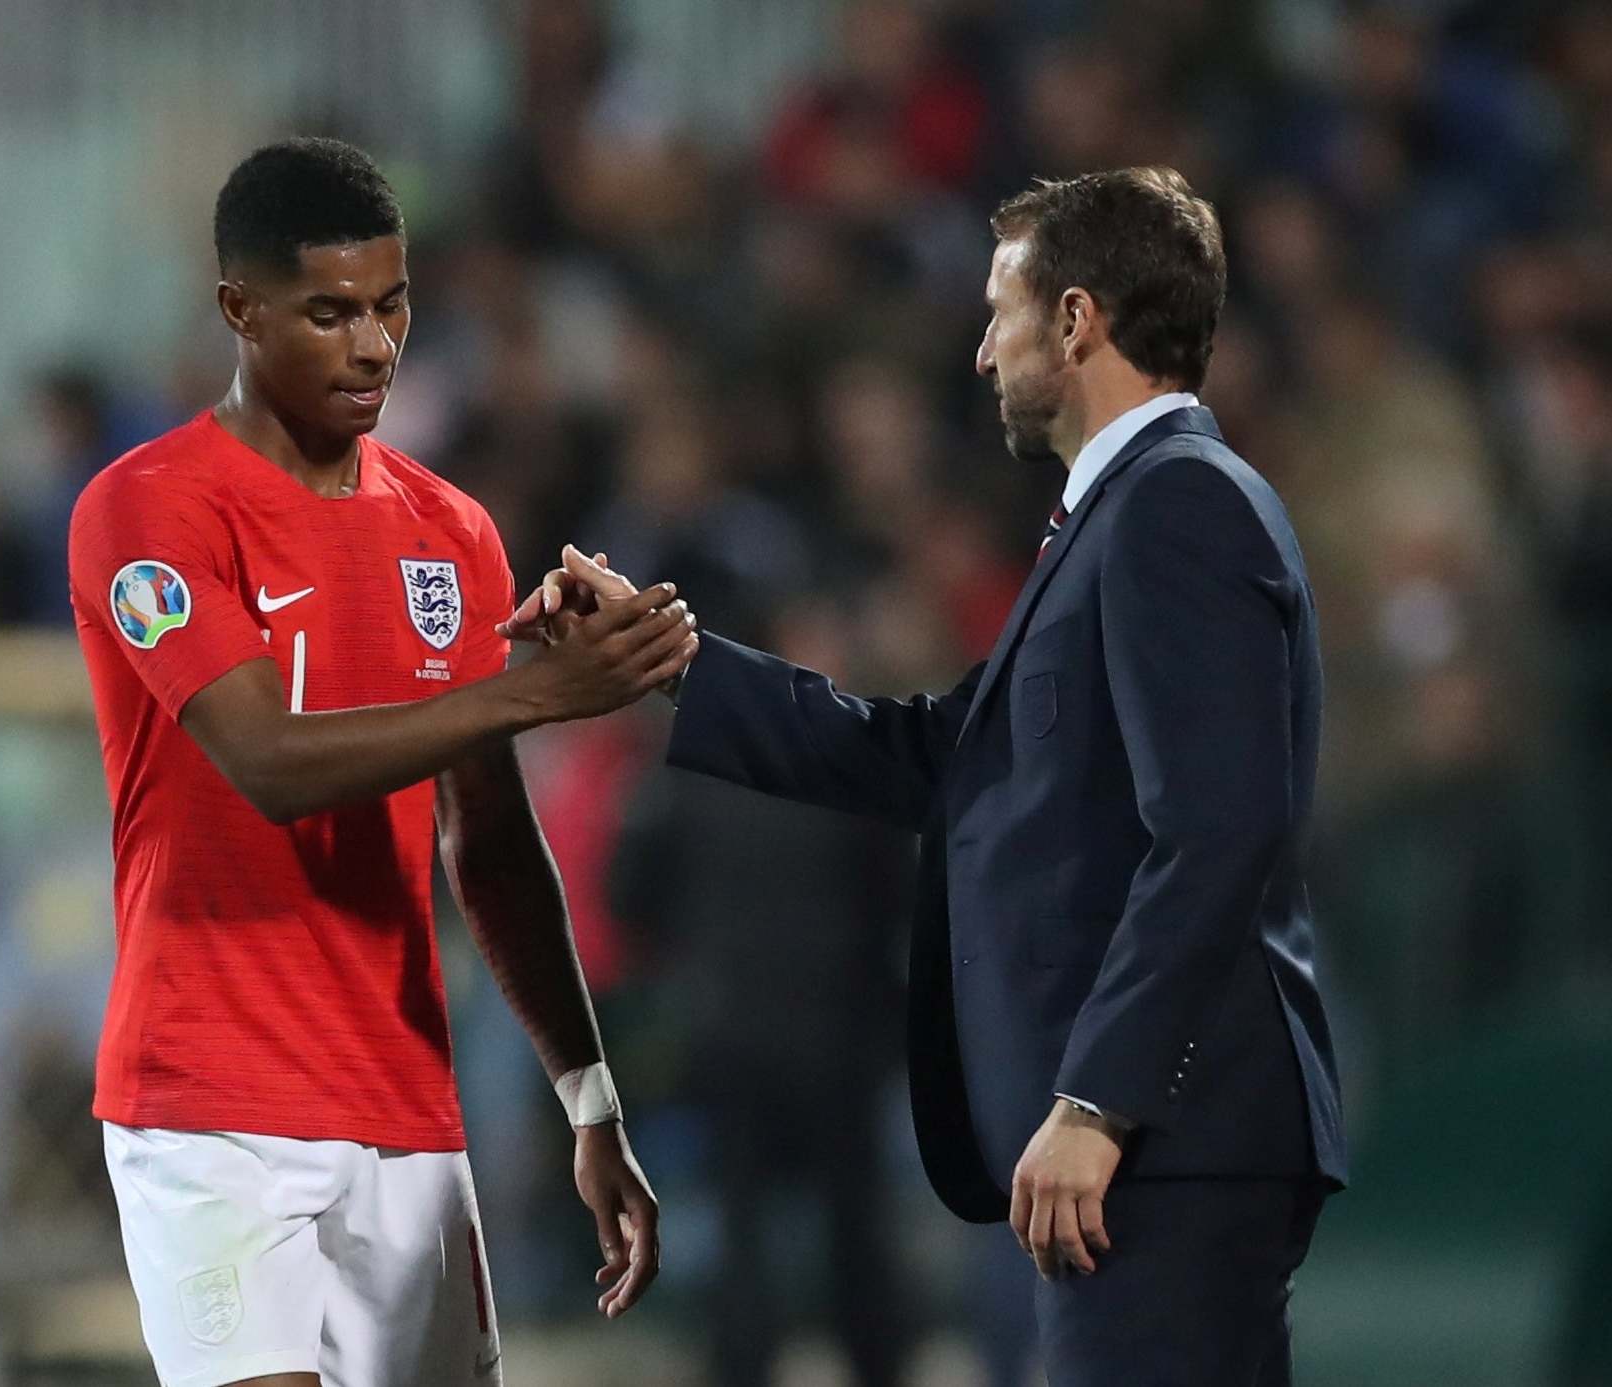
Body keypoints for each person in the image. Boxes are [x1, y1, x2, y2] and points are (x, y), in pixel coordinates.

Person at [506, 167, 1347, 1386]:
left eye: (997, 314)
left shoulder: (1178, 507)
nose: (978, 355)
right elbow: (929, 755)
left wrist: (1100, 1101)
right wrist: (668, 654)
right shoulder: (1118, 517)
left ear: (1074, 320)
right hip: (1142, 1146)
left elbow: (1219, 830)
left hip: (1165, 1142)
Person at [67, 137, 697, 1387]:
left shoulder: (450, 534)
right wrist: (530, 694)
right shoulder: (148, 510)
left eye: (393, 303)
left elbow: (490, 839)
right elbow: (267, 761)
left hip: (404, 1110)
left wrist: (588, 1097)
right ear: (238, 310)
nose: (374, 347)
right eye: (330, 313)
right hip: (211, 1105)